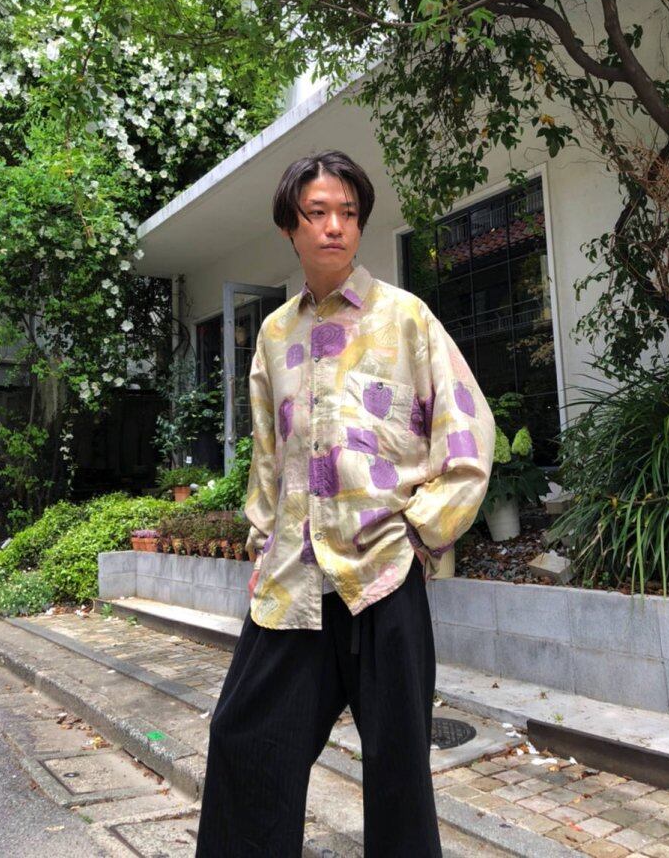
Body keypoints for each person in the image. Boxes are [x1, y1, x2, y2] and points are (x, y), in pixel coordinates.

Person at [195, 150, 495, 857]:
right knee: (244, 741)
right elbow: (268, 457)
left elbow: (467, 431)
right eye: (318, 213)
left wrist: (421, 533)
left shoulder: (406, 318)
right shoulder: (274, 336)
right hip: (293, 581)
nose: (334, 226)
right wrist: (261, 540)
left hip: (382, 576)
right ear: (289, 227)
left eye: (349, 214)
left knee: (397, 773)